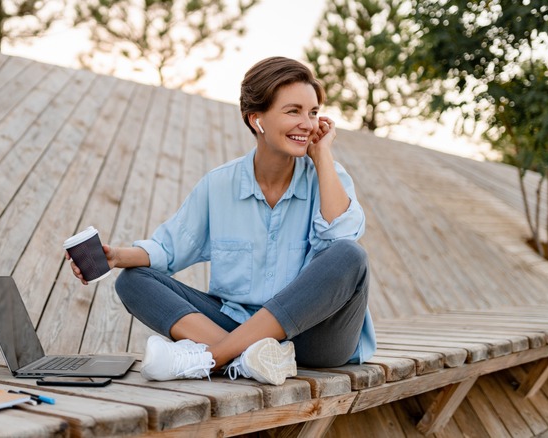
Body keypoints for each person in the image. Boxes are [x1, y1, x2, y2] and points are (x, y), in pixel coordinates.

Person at [68, 56, 375, 386]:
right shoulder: (218, 186)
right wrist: (116, 257)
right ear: (257, 119)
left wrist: (323, 154)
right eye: (293, 111)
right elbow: (169, 249)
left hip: (317, 339)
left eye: (313, 112)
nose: (308, 123)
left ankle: (215, 358)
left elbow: (341, 238)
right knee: (131, 281)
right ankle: (251, 360)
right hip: (236, 322)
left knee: (350, 255)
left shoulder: (326, 176)